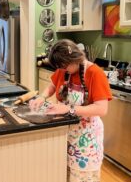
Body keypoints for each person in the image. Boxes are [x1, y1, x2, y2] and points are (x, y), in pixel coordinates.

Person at [29, 39, 112, 182]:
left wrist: (68, 108)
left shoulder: (95, 73)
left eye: (64, 65)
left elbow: (102, 109)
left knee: (82, 178)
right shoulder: (63, 70)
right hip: (65, 135)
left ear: (73, 58)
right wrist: (41, 97)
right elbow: (53, 86)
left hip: (86, 140)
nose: (62, 69)